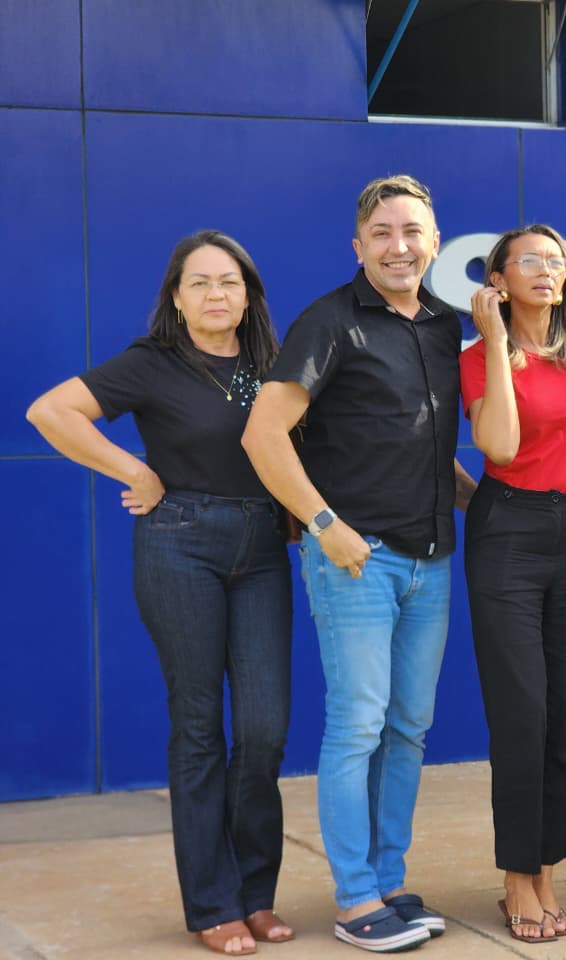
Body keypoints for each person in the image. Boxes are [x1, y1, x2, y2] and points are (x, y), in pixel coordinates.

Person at [27, 231, 294, 956]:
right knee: (200, 726)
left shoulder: (271, 365)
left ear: (248, 295)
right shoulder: (152, 363)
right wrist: (135, 472)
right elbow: (50, 411)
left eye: (229, 281)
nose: (216, 294)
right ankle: (213, 904)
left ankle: (256, 893)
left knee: (264, 729)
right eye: (199, 282)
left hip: (263, 550)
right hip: (181, 544)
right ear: (177, 297)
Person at [241, 175, 475, 954]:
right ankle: (354, 899)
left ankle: (386, 880)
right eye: (381, 233)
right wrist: (324, 525)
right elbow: (263, 435)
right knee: (359, 725)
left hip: (431, 558)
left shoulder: (443, 326)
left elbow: (423, 442)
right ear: (358, 246)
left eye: (411, 232)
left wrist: (482, 501)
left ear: (434, 243)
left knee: (407, 728)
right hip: (356, 560)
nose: (398, 246)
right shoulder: (330, 321)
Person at [460, 225, 566, 945]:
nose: (546, 270)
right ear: (498, 279)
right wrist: (495, 341)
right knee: (522, 715)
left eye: (556, 260)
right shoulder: (474, 357)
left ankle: (547, 869)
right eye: (529, 261)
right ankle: (517, 878)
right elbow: (500, 445)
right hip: (508, 534)